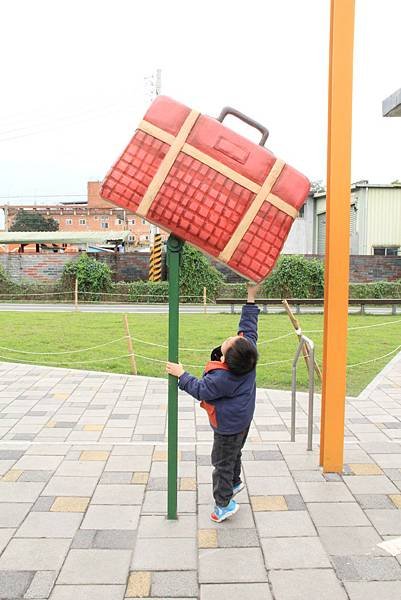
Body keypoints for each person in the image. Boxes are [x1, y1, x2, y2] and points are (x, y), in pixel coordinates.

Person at [166, 283, 260, 522]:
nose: (231, 338)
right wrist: (251, 296)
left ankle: (224, 503)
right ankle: (236, 482)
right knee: (235, 453)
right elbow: (248, 328)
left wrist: (181, 374)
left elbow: (201, 389)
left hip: (228, 427)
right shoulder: (248, 356)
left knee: (221, 463)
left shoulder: (223, 378)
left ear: (226, 359)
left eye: (227, 343)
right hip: (243, 421)